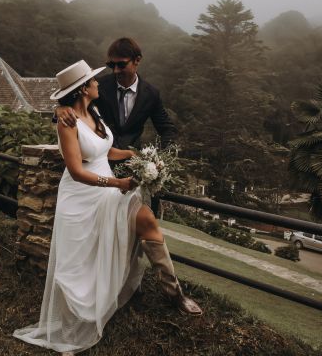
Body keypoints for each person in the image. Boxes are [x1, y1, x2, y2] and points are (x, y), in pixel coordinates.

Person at [14, 60, 201, 356]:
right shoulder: (67, 122)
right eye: (93, 82)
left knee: (147, 221)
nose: (99, 84)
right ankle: (79, 313)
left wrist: (133, 154)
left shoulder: (94, 112)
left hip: (108, 187)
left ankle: (174, 293)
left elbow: (103, 149)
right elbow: (76, 170)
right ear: (83, 90)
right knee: (81, 261)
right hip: (83, 195)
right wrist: (116, 184)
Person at [55, 38, 177, 150]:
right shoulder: (98, 86)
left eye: (121, 65)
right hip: (101, 159)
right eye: (111, 65)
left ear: (137, 60)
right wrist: (59, 110)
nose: (116, 70)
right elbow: (75, 104)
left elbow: (167, 129)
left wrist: (162, 158)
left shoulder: (151, 94)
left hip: (133, 162)